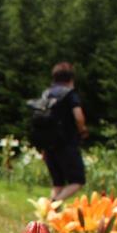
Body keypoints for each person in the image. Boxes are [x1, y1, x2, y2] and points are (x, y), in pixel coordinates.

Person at [40, 62, 88, 202]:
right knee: (77, 181)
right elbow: (78, 116)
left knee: (58, 182)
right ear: (71, 79)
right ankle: (54, 203)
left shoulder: (46, 94)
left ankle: (49, 213)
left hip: (48, 145)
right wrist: (82, 130)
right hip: (67, 144)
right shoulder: (69, 94)